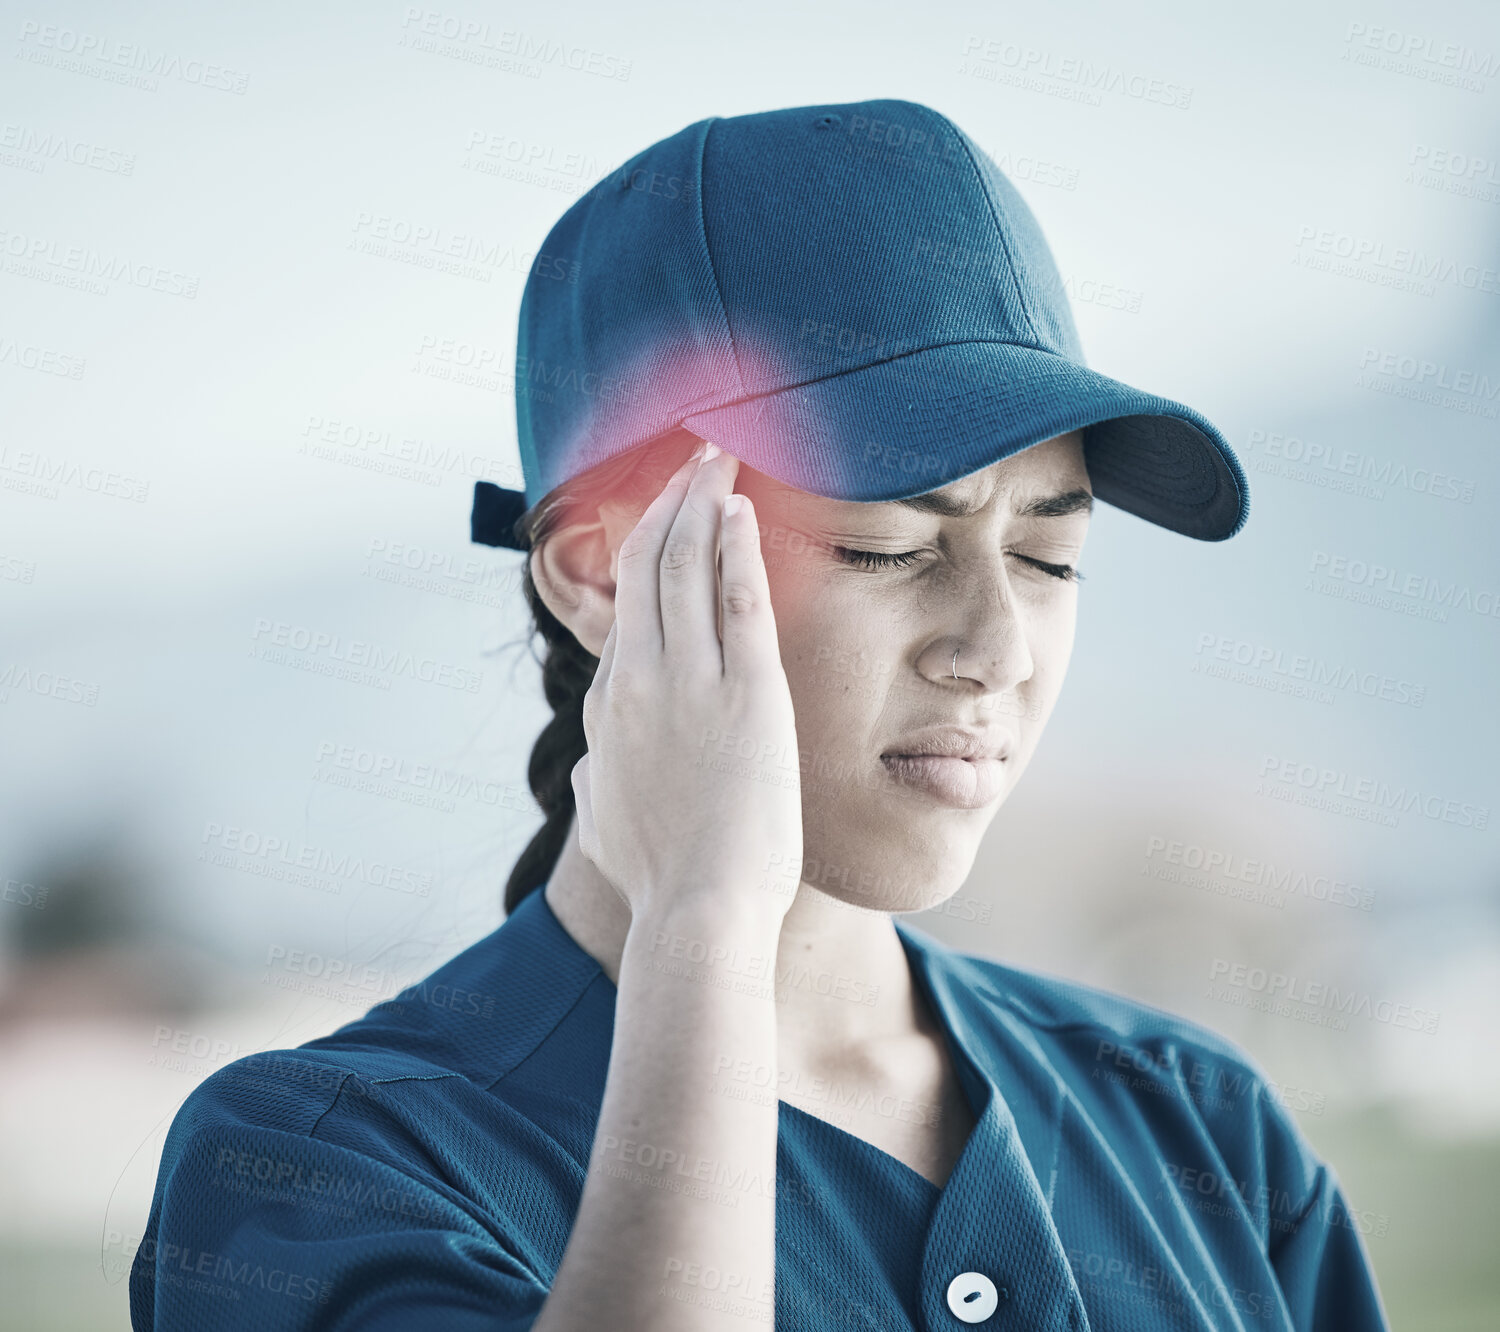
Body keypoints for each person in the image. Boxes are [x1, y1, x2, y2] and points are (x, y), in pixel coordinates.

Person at [131, 98, 1389, 1330]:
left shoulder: (1200, 1128)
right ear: (602, 573)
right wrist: (704, 925)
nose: (995, 650)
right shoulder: (317, 1168)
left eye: (1050, 562)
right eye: (888, 546)